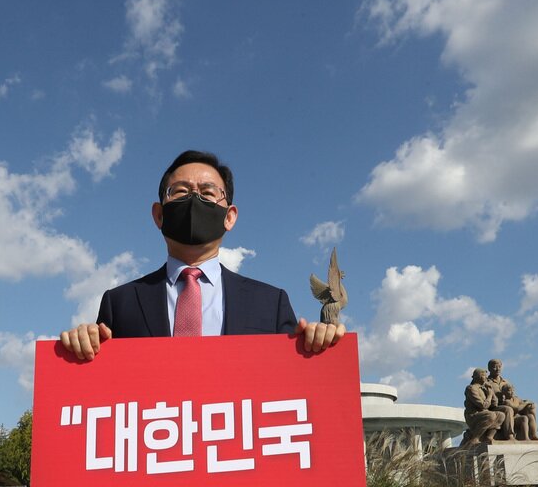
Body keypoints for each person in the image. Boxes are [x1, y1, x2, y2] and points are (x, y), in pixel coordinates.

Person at [60, 150, 345, 359]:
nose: (194, 200)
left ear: (230, 216)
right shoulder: (119, 303)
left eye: (208, 193)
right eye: (181, 192)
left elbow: (291, 383)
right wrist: (81, 346)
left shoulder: (270, 304)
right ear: (159, 215)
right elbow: (102, 392)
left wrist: (319, 345)